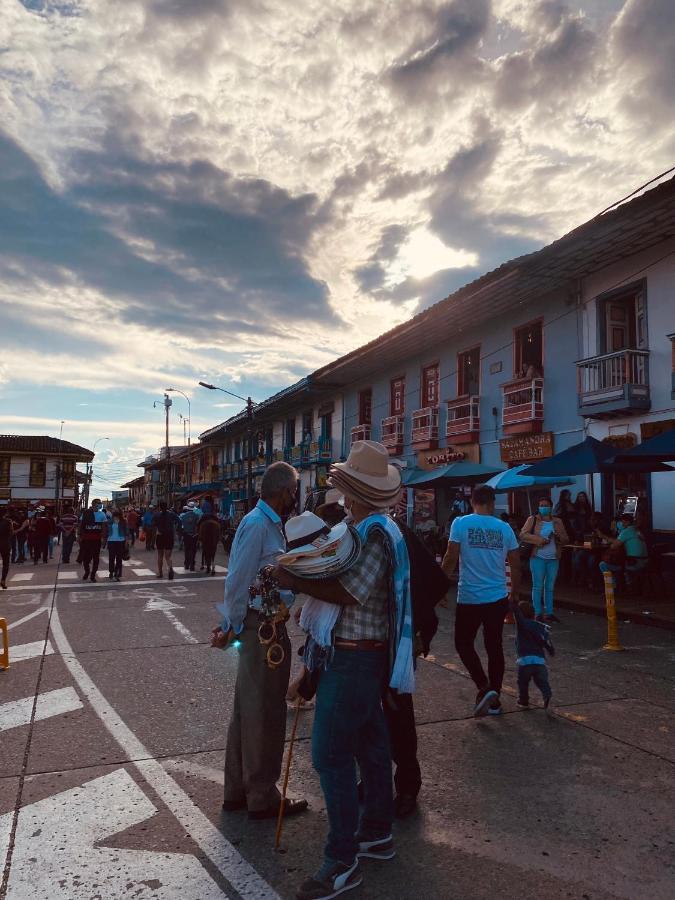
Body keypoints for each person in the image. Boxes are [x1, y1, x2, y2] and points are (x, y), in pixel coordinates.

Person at [276, 441, 413, 900]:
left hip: (355, 655)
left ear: (354, 491)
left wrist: (295, 579)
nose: (342, 497)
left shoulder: (374, 533)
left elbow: (351, 592)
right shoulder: (370, 528)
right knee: (372, 747)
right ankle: (376, 832)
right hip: (360, 654)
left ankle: (342, 860)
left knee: (330, 755)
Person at [211, 461, 308, 821]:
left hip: (260, 623)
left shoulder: (267, 523)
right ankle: (261, 795)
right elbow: (237, 580)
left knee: (247, 710)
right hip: (261, 627)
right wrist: (231, 625)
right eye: (293, 491)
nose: (294, 498)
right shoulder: (258, 525)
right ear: (284, 492)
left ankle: (238, 790)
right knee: (264, 712)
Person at [442, 483, 522, 717]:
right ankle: (494, 697)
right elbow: (515, 565)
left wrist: (439, 588)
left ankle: (484, 686)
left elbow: (450, 557)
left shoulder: (461, 523)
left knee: (463, 643)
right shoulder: (505, 528)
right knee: (494, 646)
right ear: (492, 502)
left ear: (472, 502)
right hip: (497, 597)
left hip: (469, 596)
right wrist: (514, 593)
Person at [520, 496, 568, 624]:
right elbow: (523, 534)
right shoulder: (532, 519)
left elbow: (566, 538)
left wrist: (558, 537)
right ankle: (537, 612)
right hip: (537, 556)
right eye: (541, 505)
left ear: (551, 507)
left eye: (546, 505)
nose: (543, 507)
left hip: (554, 558)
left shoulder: (557, 521)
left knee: (550, 586)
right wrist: (539, 540)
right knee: (537, 586)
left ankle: (549, 613)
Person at [512, 600, 555, 711]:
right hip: (539, 661)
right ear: (533, 613)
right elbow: (546, 640)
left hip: (525, 661)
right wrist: (551, 650)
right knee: (542, 681)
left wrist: (513, 604)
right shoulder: (540, 626)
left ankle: (523, 701)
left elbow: (517, 616)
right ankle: (547, 696)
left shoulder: (522, 625)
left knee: (523, 683)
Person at [598, 513, 648, 588]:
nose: (620, 523)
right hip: (645, 561)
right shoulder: (636, 530)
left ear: (627, 522)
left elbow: (614, 546)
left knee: (603, 564)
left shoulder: (626, 531)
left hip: (634, 563)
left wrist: (603, 536)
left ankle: (612, 588)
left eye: (622, 521)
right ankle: (621, 585)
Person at [79, 499, 108, 582]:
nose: (100, 505)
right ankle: (87, 571)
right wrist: (79, 536)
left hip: (96, 540)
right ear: (93, 504)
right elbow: (81, 525)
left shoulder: (102, 514)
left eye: (100, 503)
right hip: (86, 539)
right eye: (98, 503)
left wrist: (103, 538)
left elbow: (104, 527)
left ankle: (93, 575)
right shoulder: (86, 513)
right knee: (85, 558)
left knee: (96, 558)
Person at [153, 501, 177, 579]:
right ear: (167, 506)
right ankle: (170, 568)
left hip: (160, 536)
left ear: (160, 507)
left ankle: (160, 573)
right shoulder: (171, 514)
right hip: (169, 536)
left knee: (160, 555)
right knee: (168, 556)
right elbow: (179, 521)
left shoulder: (156, 515)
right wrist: (175, 529)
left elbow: (152, 524)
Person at [106, 509, 128, 581]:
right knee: (111, 558)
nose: (115, 518)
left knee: (119, 559)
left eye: (117, 516)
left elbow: (126, 533)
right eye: (114, 516)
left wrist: (126, 542)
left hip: (120, 541)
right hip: (111, 541)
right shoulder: (110, 522)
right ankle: (111, 572)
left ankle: (117, 573)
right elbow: (106, 531)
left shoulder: (123, 522)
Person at [179, 501, 200, 572]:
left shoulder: (183, 516)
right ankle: (192, 565)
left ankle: (187, 564)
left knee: (187, 549)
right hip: (194, 535)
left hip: (186, 534)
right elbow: (197, 526)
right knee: (193, 550)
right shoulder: (196, 516)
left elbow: (181, 526)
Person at [0, 506, 13, 589]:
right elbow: (11, 533)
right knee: (6, 563)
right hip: (5, 544)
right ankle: (3, 580)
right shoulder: (8, 521)